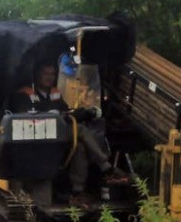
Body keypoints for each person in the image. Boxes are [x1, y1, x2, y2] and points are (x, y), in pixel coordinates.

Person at [10, 60, 128, 203]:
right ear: (36, 75)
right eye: (45, 74)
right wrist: (61, 117)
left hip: (56, 139)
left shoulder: (55, 93)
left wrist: (81, 113)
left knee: (79, 147)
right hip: (35, 140)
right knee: (80, 130)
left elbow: (65, 112)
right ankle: (106, 168)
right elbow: (25, 118)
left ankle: (77, 192)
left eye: (52, 74)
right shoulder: (24, 94)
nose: (49, 77)